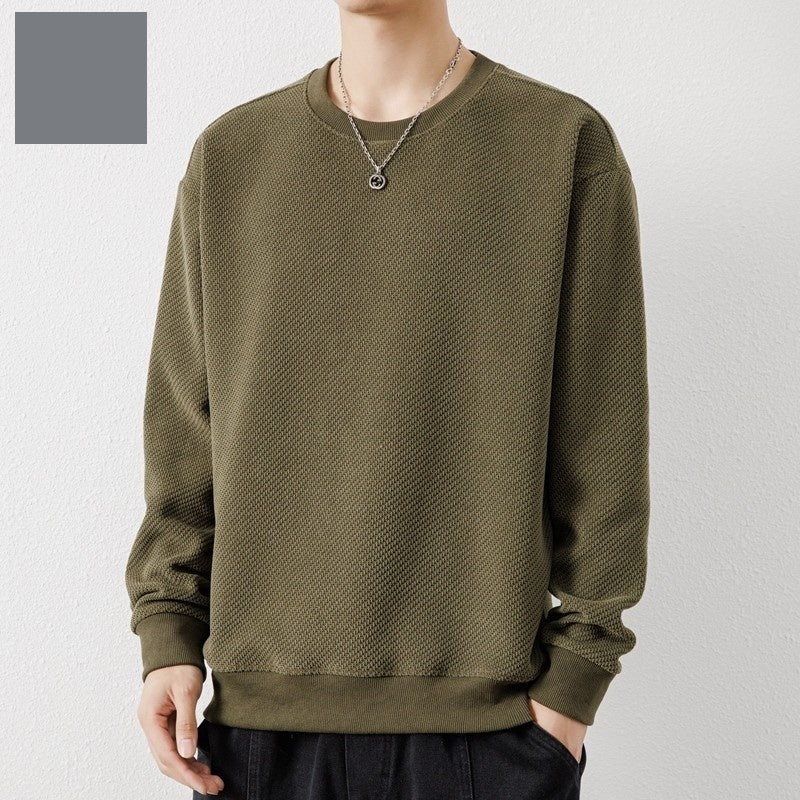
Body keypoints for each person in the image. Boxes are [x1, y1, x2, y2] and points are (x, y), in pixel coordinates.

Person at [124, 1, 650, 797]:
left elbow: (603, 434)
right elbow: (184, 426)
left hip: (491, 734)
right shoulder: (235, 154)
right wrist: (169, 633)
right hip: (256, 731)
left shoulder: (560, 143)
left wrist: (575, 679)